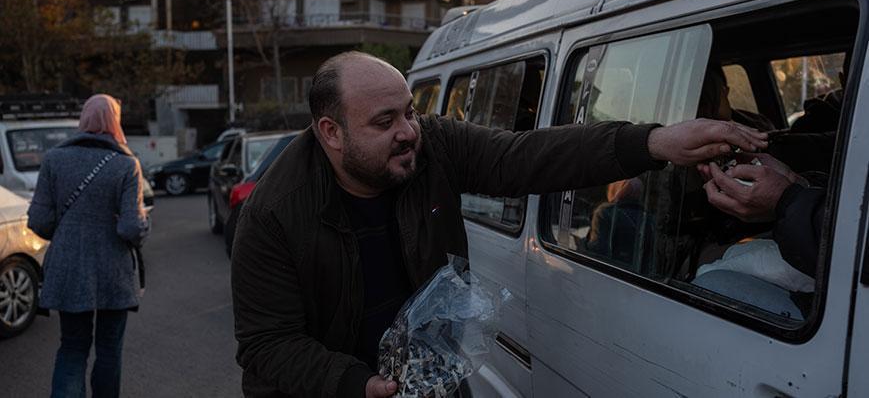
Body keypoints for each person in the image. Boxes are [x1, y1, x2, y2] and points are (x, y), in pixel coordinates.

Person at [230, 51, 768, 398]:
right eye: (384, 121)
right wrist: (359, 384)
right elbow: (267, 344)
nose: (409, 131)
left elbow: (525, 157)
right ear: (331, 132)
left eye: (410, 112)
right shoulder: (274, 213)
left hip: (429, 380)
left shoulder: (432, 146)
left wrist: (651, 143)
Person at [28, 94, 150, 398]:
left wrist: (68, 229)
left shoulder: (54, 159)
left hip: (68, 269)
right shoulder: (126, 163)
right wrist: (142, 225)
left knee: (72, 347)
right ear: (115, 121)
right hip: (113, 272)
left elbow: (39, 222)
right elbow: (131, 227)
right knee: (109, 349)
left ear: (84, 119)